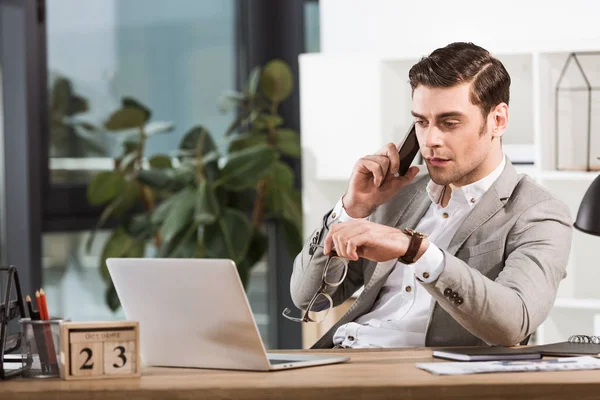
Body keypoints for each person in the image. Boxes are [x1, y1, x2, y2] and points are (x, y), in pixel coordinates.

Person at [289, 42, 573, 349]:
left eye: (450, 123)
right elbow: (307, 297)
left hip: (422, 376)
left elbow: (512, 324)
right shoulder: (399, 194)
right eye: (422, 122)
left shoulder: (538, 213)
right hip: (344, 359)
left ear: (498, 120)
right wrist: (353, 207)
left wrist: (415, 250)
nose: (431, 141)